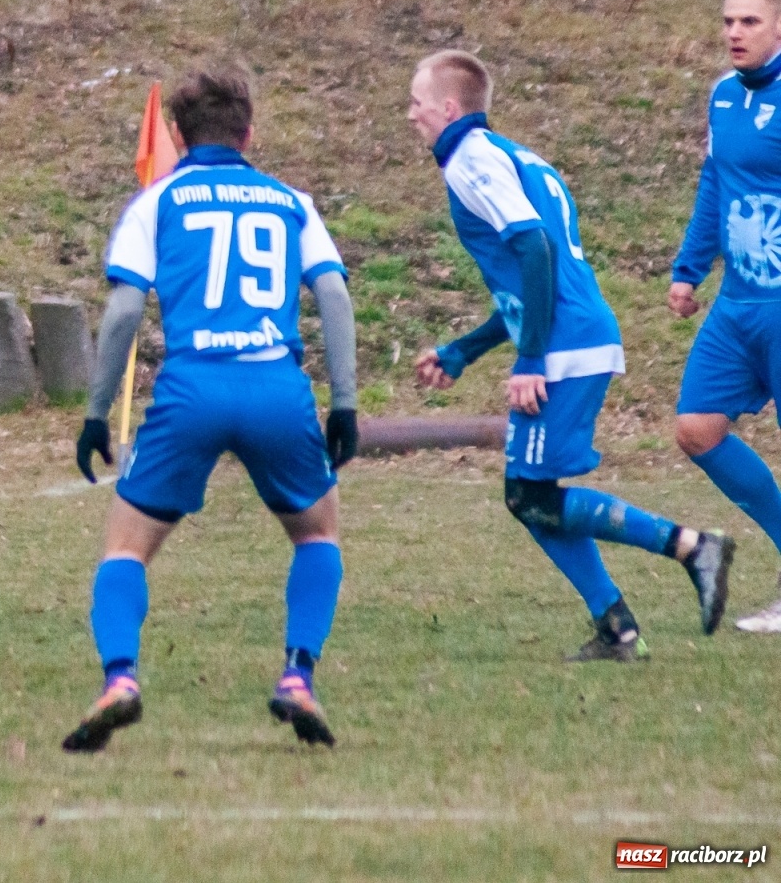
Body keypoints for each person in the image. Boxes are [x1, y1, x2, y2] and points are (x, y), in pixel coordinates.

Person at [63, 71, 360, 752]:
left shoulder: (157, 201)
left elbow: (124, 312)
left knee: (126, 548)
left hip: (192, 386)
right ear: (248, 135)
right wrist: (344, 402)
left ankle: (120, 678)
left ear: (177, 135)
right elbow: (335, 297)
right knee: (317, 535)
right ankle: (298, 677)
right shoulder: (291, 202)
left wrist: (97, 412)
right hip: (276, 387)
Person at [409, 50, 733, 662]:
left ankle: (691, 548)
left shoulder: (470, 159)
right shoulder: (513, 157)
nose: (410, 114)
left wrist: (531, 360)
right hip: (574, 334)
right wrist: (461, 352)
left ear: (448, 108)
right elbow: (527, 283)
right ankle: (618, 627)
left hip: (564, 345)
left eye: (416, 101)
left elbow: (535, 251)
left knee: (530, 497)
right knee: (531, 497)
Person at [667, 0, 781, 633]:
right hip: (737, 304)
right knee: (697, 429)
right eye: (728, 21)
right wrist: (689, 269)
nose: (735, 32)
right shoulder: (724, 96)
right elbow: (714, 184)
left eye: (750, 21)